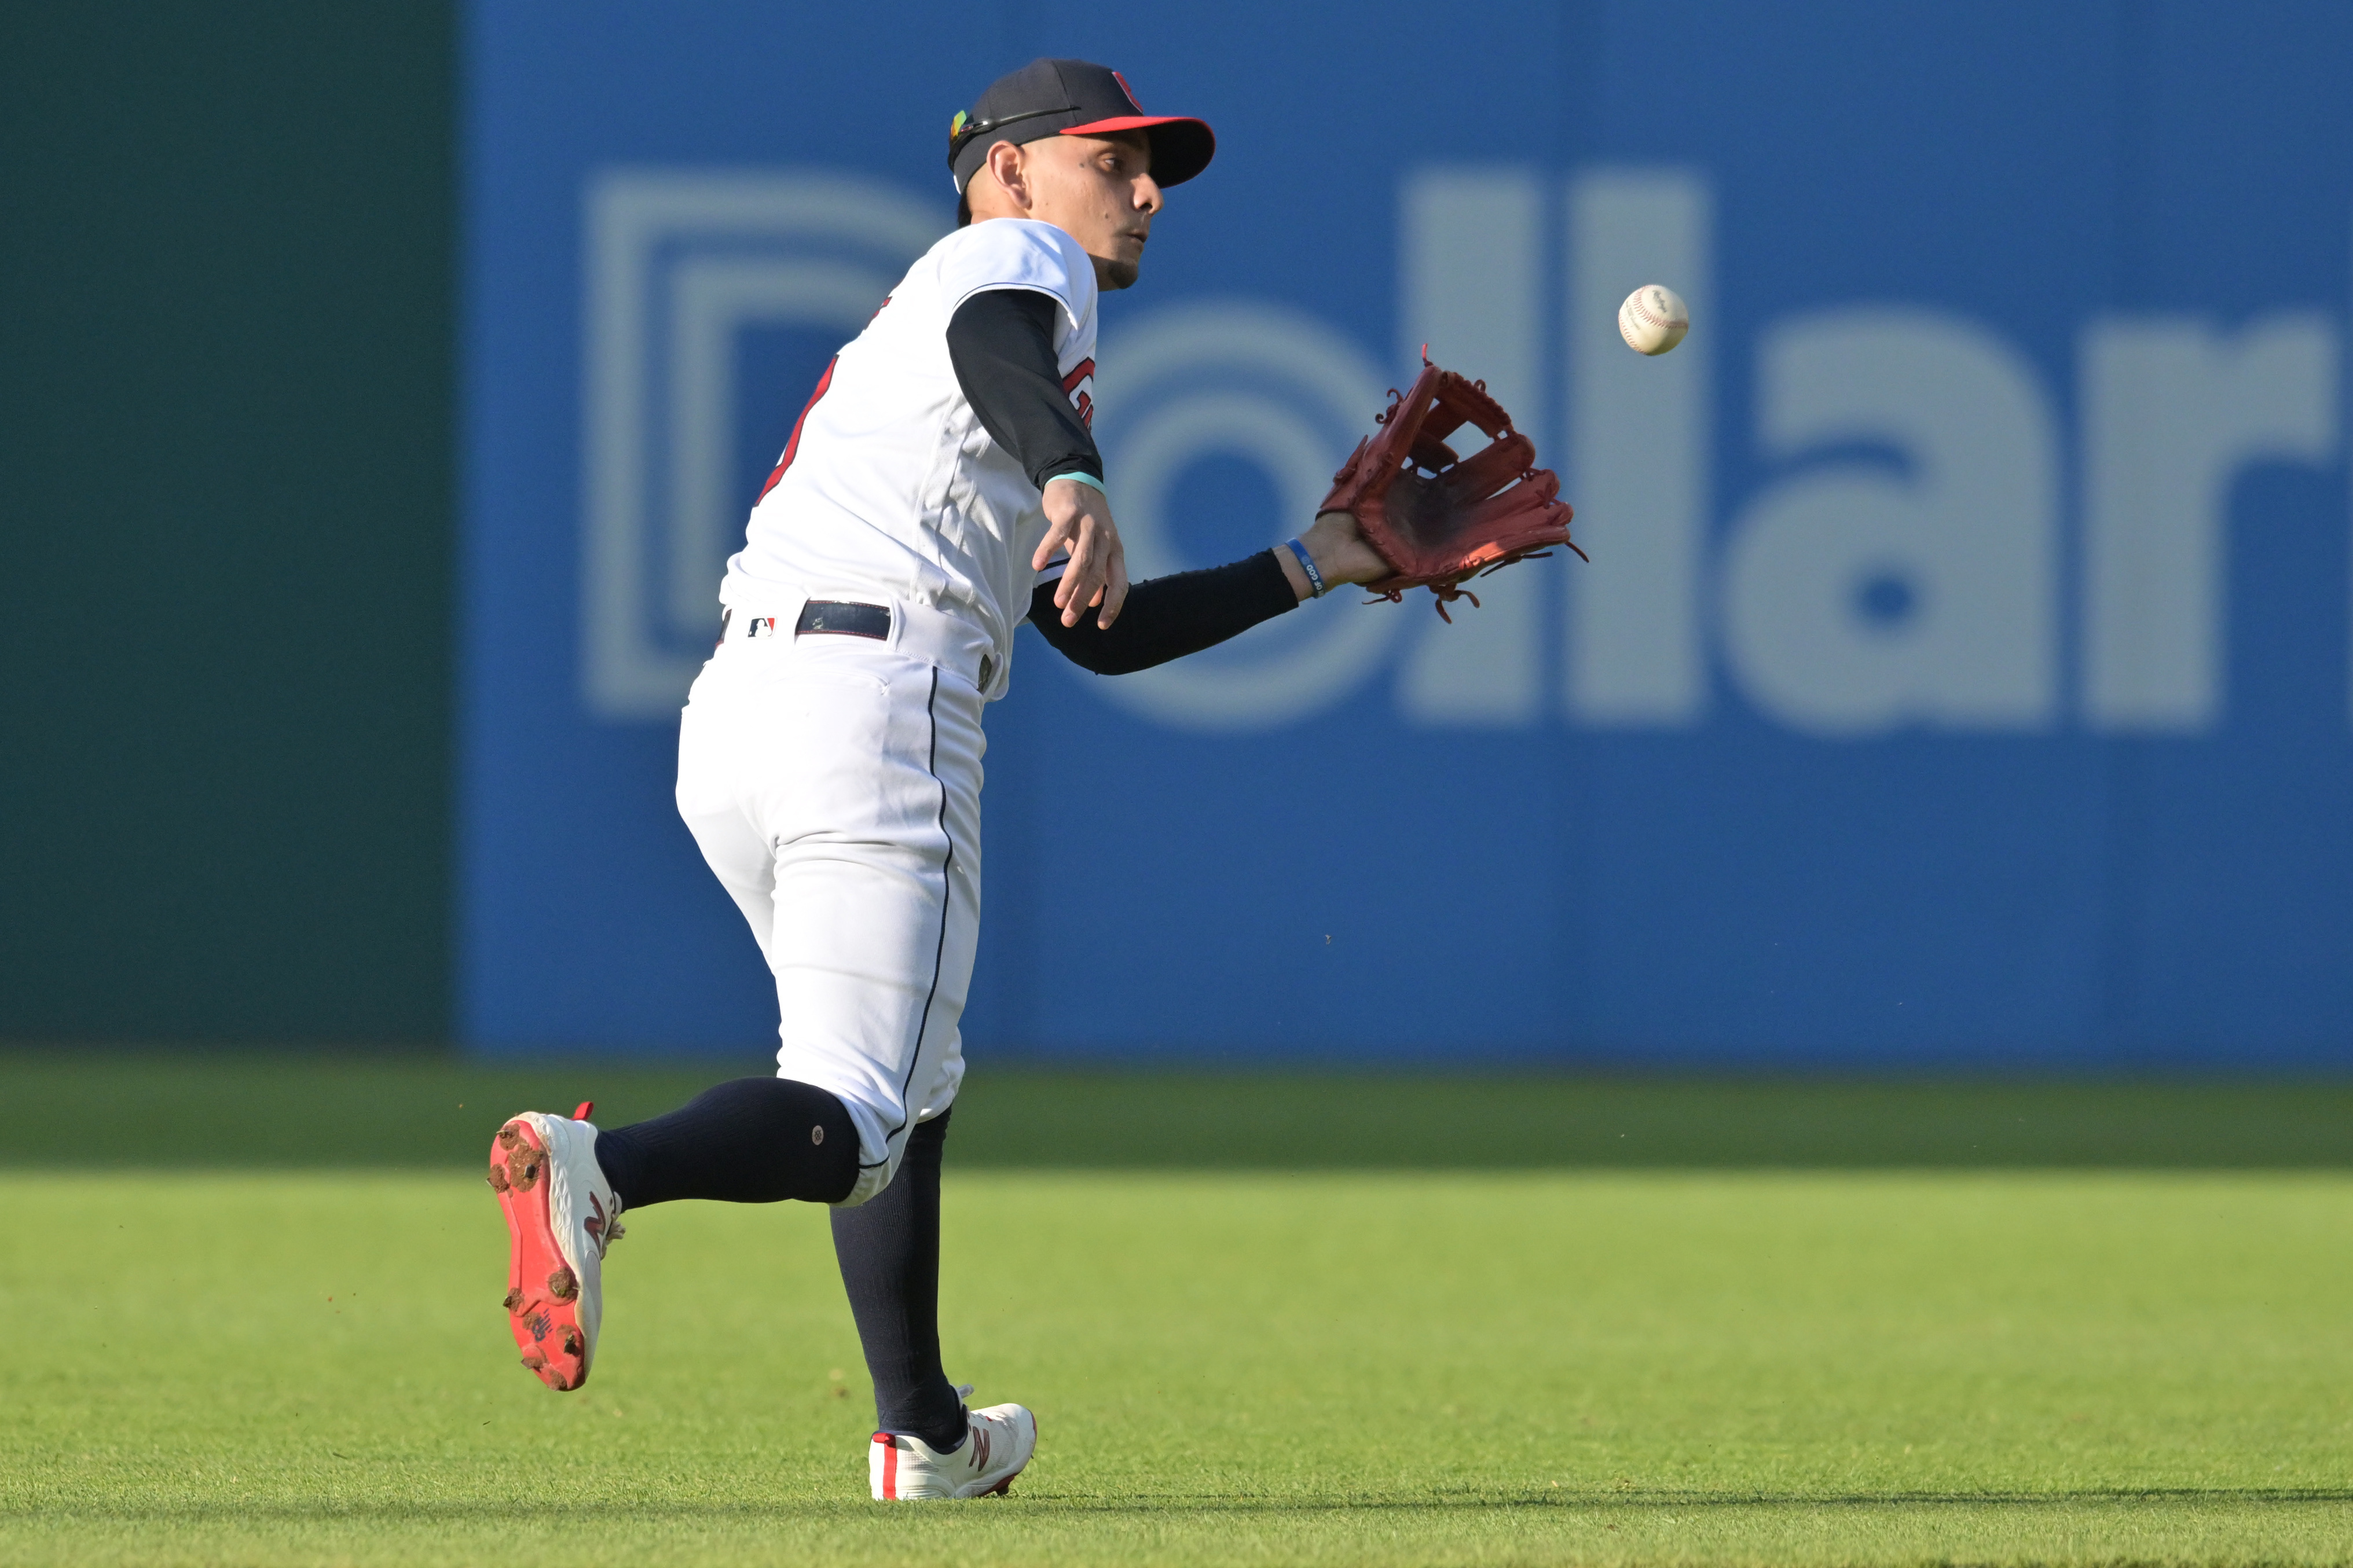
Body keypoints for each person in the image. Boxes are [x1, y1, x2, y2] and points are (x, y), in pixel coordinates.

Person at [486, 57, 1388, 1501]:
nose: (1148, 192)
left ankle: (924, 1430)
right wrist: (1079, 473)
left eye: (1153, 168)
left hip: (744, 712)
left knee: (904, 1085)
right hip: (877, 699)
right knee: (856, 1112)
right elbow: (999, 334)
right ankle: (601, 1167)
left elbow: (1100, 632)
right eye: (1115, 160)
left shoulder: (955, 361)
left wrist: (1314, 562)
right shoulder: (1003, 266)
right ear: (1011, 168)